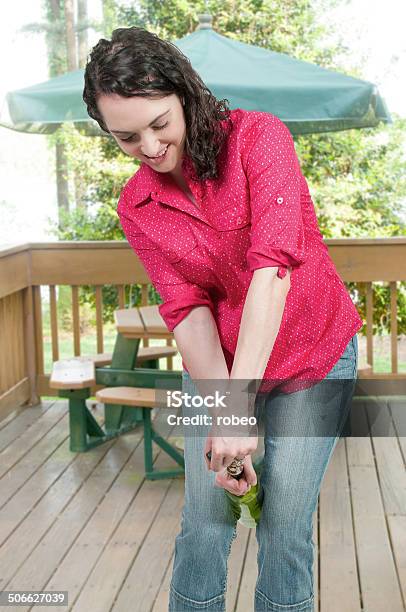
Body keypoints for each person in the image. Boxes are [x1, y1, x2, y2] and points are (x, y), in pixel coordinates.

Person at [83, 26, 363, 612]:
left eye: (160, 123)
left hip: (313, 355)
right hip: (222, 368)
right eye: (127, 137)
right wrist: (229, 412)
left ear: (184, 94)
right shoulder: (137, 206)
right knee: (206, 518)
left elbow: (272, 272)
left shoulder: (259, 139)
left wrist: (237, 407)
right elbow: (187, 309)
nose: (151, 148)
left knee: (283, 522)